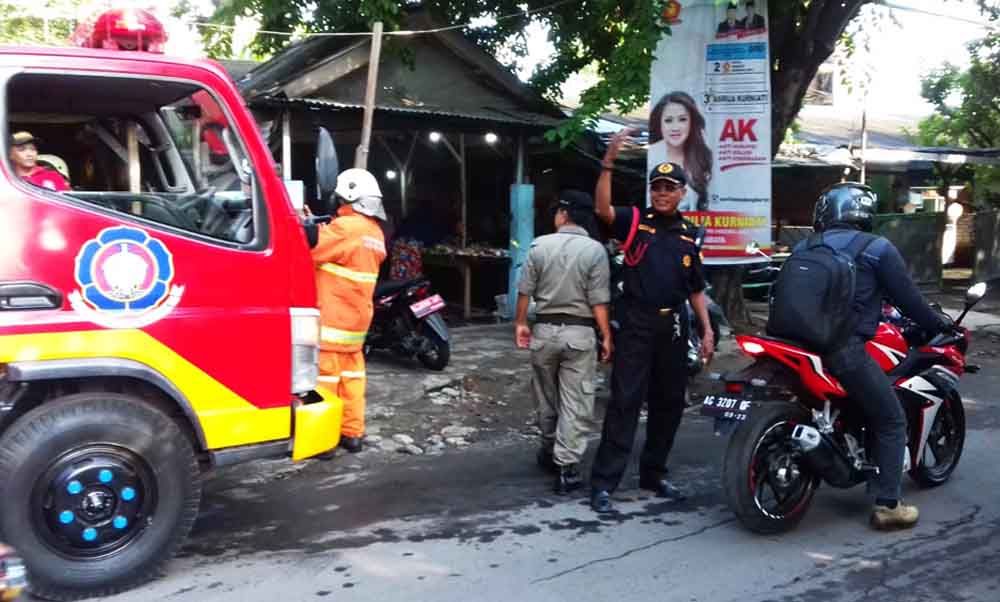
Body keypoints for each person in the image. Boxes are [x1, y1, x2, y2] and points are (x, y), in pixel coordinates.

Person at [806, 182, 952, 530]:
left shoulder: (808, 245)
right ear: (863, 212)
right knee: (890, 418)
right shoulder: (877, 248)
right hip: (843, 347)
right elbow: (910, 300)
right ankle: (889, 505)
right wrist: (939, 325)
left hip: (798, 342)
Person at [589, 129, 715, 514]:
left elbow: (695, 288)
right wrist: (608, 163)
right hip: (637, 324)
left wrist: (706, 329)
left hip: (674, 327)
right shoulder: (633, 222)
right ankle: (604, 484)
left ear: (681, 193)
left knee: (670, 403)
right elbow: (603, 210)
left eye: (669, 188)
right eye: (656, 188)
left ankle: (653, 474)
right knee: (625, 401)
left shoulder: (689, 235)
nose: (661, 194)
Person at [515, 190, 613, 495]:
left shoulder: (539, 246)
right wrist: (606, 334)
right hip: (579, 335)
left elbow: (524, 291)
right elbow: (599, 301)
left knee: (546, 397)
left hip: (543, 332)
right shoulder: (595, 251)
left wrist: (520, 323)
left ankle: (548, 450)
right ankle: (566, 467)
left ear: (564, 214)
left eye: (557, 210)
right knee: (576, 400)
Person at [303, 168, 388, 454]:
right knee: (352, 379)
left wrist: (306, 226)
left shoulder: (345, 228)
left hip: (331, 320)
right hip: (356, 323)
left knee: (324, 380)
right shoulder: (375, 232)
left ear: (348, 197)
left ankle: (324, 440)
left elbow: (310, 253)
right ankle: (352, 434)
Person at [647, 91, 712, 212]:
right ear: (660, 123)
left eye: (682, 119)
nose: (675, 127)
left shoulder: (703, 157)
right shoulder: (651, 157)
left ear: (692, 122)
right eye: (668, 120)